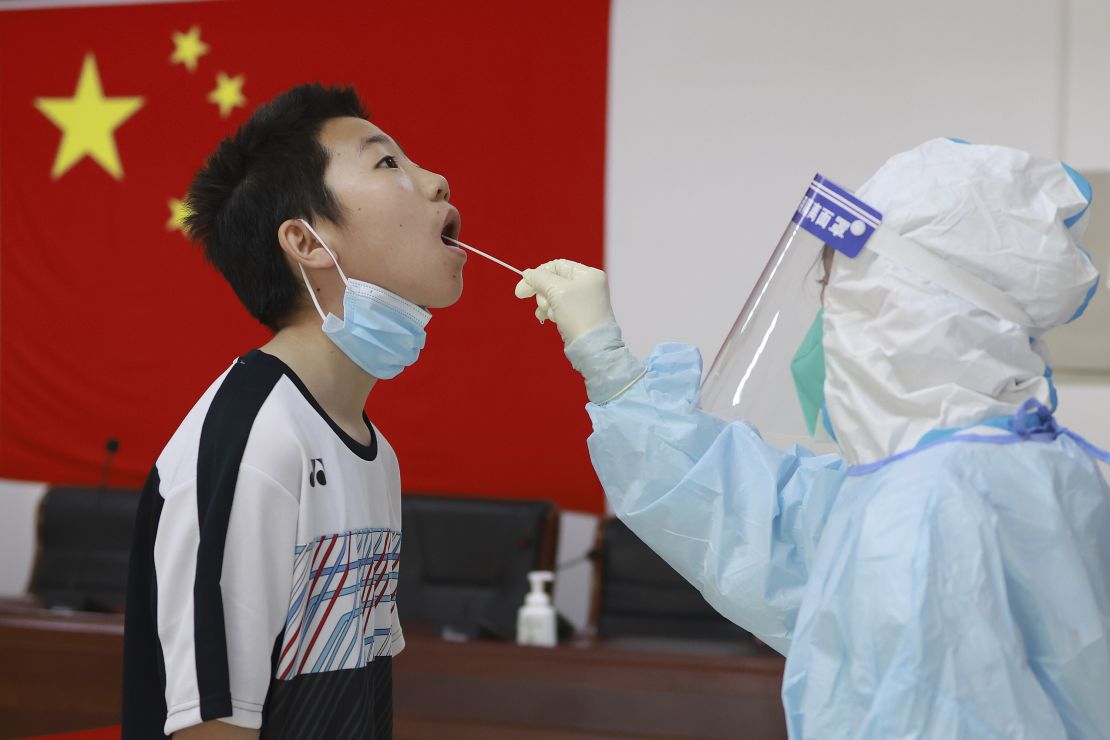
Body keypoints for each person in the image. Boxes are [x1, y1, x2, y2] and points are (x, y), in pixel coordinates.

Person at [515, 139, 1110, 738]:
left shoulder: (930, 505)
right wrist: (609, 366)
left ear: (906, 307)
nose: (824, 320)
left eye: (838, 291)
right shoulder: (1015, 464)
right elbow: (764, 522)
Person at [122, 83, 466, 739]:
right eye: (387, 162)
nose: (436, 181)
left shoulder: (372, 452)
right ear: (307, 243)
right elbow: (211, 726)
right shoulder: (256, 444)